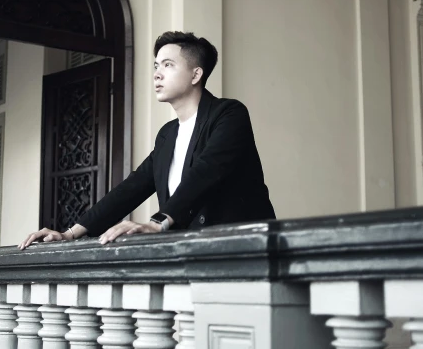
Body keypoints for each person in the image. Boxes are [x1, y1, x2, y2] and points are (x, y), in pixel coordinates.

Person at [18, 31, 275, 249]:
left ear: (196, 75)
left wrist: (157, 222)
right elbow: (133, 187)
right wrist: (70, 233)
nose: (157, 74)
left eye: (167, 65)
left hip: (242, 248)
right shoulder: (168, 134)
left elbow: (206, 171)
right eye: (156, 65)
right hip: (188, 252)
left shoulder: (229, 114)